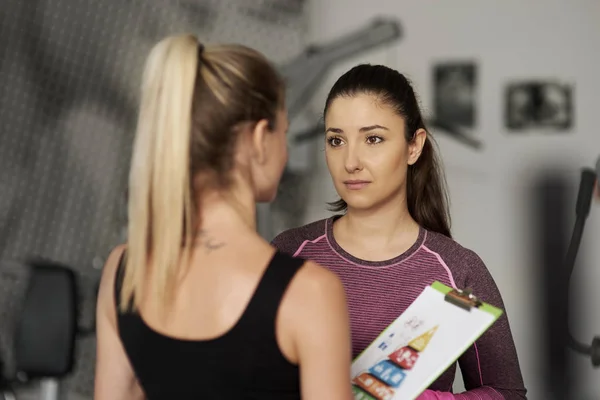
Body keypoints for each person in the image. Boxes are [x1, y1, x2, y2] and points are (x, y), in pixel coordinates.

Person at [94, 34, 352, 400]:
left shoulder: (123, 272)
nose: (285, 150)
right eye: (285, 133)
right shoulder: (309, 293)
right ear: (261, 139)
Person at [272, 64, 527, 399]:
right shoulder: (289, 254)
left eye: (373, 139)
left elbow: (508, 394)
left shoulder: (457, 270)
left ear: (413, 146)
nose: (351, 161)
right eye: (336, 140)